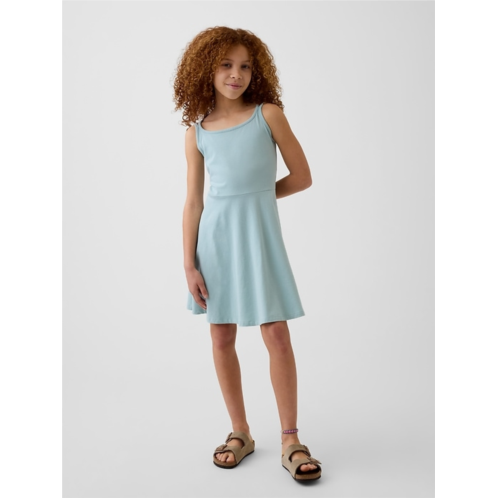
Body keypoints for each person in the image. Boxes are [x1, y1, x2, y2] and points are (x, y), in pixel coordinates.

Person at [174, 26, 322, 482]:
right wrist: (189, 264)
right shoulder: (197, 133)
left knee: (276, 334)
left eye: (244, 66)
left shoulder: (267, 115)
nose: (236, 74)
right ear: (206, 69)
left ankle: (291, 439)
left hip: (259, 240)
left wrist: (254, 198)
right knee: (221, 337)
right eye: (226, 65)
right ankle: (240, 432)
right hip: (214, 244)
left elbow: (302, 176)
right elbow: (194, 202)